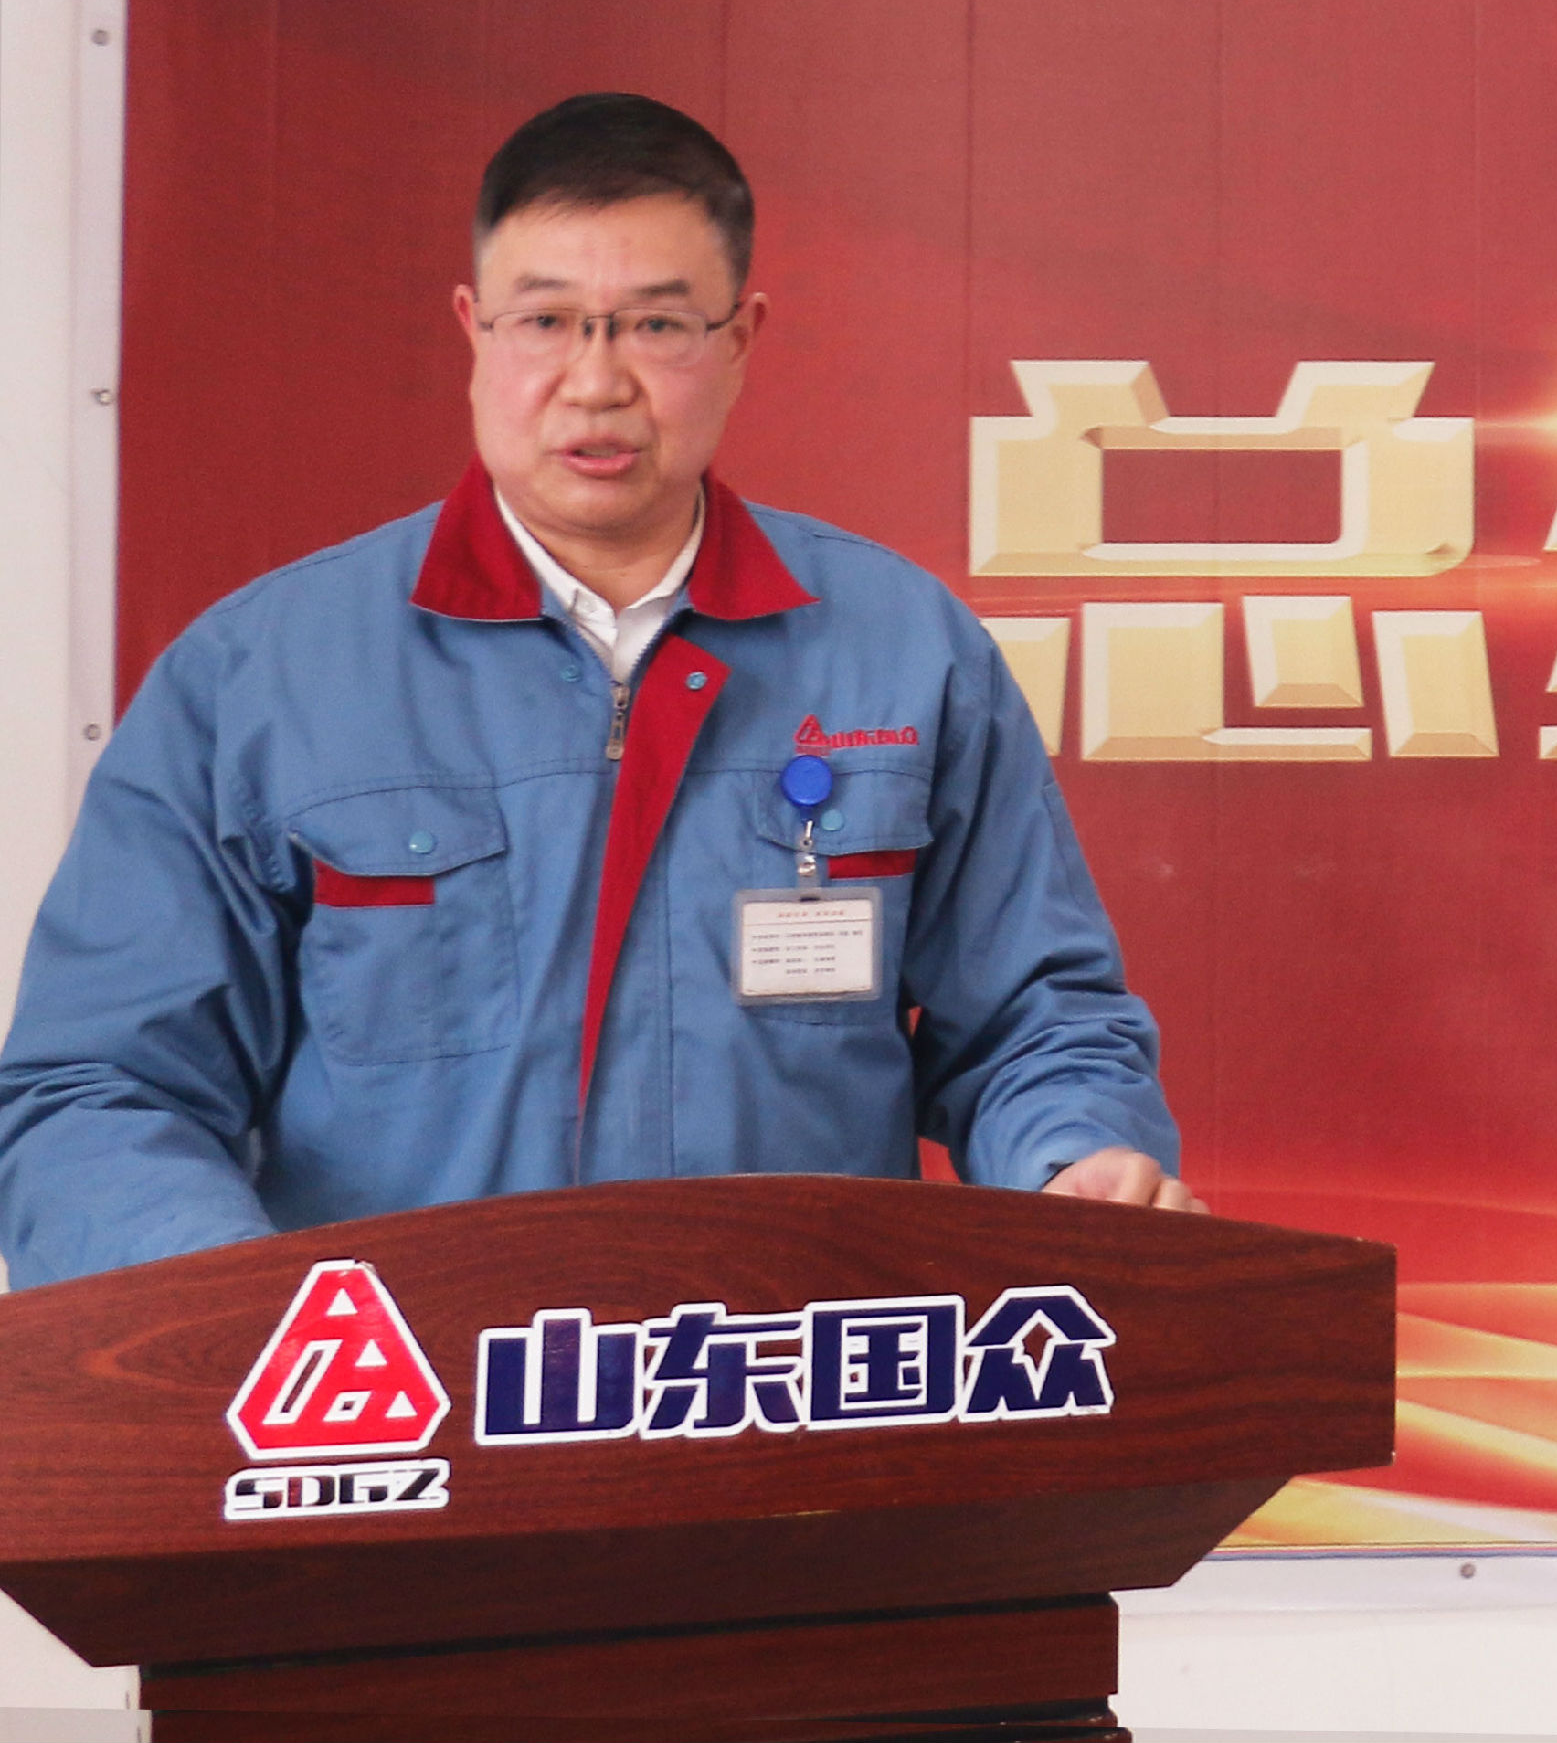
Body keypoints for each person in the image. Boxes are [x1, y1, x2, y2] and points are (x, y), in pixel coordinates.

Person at [0, 94, 1192, 1287]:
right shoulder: (260, 677)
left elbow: (1036, 1020)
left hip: (783, 1366)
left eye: (657, 325)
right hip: (405, 1385)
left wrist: (1074, 1160)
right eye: (546, 321)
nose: (595, 381)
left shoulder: (903, 650)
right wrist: (252, 1320)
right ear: (473, 330)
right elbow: (97, 1090)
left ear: (741, 338)